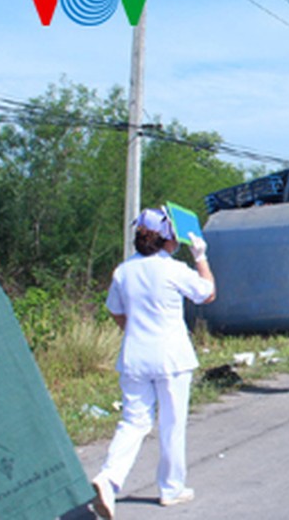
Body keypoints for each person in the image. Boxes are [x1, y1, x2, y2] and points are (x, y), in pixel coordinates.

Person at [92, 208, 215, 519]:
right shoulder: (173, 270)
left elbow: (116, 311)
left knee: (133, 422)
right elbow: (208, 293)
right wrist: (200, 257)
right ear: (166, 239)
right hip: (171, 357)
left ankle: (109, 479)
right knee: (172, 424)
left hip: (134, 356)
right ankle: (171, 489)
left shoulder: (123, 272)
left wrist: (135, 331)